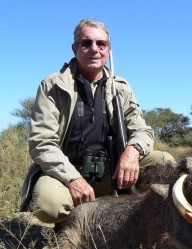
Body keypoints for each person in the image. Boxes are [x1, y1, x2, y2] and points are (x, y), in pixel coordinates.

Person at [20, 18, 175, 224]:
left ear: (108, 50)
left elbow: (143, 130)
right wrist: (73, 179)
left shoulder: (121, 87)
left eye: (101, 44)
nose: (94, 49)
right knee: (49, 206)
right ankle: (71, 222)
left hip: (114, 173)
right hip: (67, 175)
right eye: (86, 43)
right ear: (75, 48)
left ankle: (146, 223)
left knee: (164, 162)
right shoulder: (53, 85)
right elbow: (41, 142)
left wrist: (132, 151)